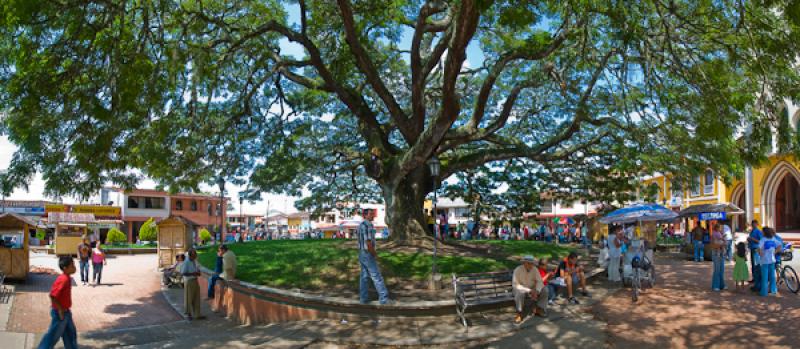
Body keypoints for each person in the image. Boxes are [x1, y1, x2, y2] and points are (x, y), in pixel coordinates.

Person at [38, 256, 78, 349]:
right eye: (72, 266)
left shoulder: (67, 278)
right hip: (60, 313)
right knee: (52, 336)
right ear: (65, 268)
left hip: (66, 312)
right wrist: (60, 310)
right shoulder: (63, 279)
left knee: (70, 334)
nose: (74, 267)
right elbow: (53, 295)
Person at [357, 209, 390, 304]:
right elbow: (368, 242)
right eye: (371, 214)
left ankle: (363, 299)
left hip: (361, 253)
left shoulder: (360, 225)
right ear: (365, 215)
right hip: (367, 253)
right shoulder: (368, 225)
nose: (373, 215)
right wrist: (374, 254)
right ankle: (384, 299)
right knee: (377, 276)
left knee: (364, 277)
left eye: (373, 213)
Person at [512, 255, 549, 323]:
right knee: (520, 293)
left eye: (532, 263)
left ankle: (539, 309)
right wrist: (529, 291)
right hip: (521, 289)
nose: (531, 265)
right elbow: (516, 285)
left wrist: (537, 291)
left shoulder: (534, 269)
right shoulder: (518, 270)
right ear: (524, 263)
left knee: (545, 290)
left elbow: (539, 281)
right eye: (529, 263)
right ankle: (519, 313)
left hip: (532, 288)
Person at [180, 249, 204, 320]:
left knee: (196, 298)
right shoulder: (186, 262)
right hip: (189, 281)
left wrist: (198, 272)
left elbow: (198, 267)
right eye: (194, 256)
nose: (195, 257)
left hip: (195, 280)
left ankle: (197, 314)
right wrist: (193, 273)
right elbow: (183, 273)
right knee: (188, 298)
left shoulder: (194, 260)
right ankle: (188, 314)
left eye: (195, 255)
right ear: (190, 255)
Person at [758, 227, 782, 297]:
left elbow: (759, 248)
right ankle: (773, 290)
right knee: (772, 276)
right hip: (772, 260)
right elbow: (779, 245)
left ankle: (764, 292)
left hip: (765, 261)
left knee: (764, 277)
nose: (761, 233)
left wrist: (760, 253)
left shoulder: (763, 240)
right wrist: (775, 251)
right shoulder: (773, 238)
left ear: (764, 232)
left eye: (762, 232)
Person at [710, 225, 726, 291]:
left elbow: (724, 243)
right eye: (719, 228)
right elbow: (713, 245)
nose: (720, 229)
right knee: (717, 270)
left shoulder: (719, 234)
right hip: (716, 254)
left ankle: (722, 285)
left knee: (721, 270)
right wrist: (722, 244)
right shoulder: (713, 235)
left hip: (721, 254)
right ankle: (715, 285)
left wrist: (723, 242)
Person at [747, 220, 762, 289]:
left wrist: (752, 239)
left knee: (756, 265)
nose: (753, 225)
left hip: (756, 249)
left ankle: (757, 281)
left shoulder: (758, 231)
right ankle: (754, 278)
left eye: (754, 224)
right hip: (752, 248)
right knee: (752, 264)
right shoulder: (752, 231)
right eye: (752, 224)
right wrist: (749, 239)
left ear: (757, 224)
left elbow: (761, 241)